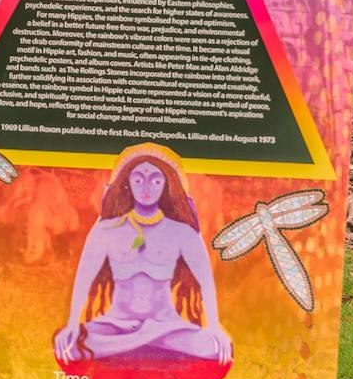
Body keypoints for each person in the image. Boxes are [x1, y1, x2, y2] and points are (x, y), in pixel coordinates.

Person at [53, 146, 231, 367]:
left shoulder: (182, 232)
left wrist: (214, 327)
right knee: (71, 345)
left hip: (166, 327)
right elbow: (84, 278)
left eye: (155, 181)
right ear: (126, 183)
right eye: (138, 180)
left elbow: (206, 282)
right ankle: (137, 344)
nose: (146, 188)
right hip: (117, 325)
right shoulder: (106, 229)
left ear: (168, 185)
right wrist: (72, 324)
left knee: (213, 347)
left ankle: (141, 343)